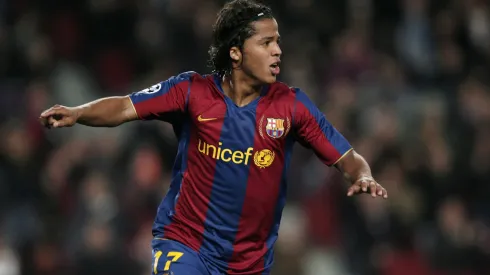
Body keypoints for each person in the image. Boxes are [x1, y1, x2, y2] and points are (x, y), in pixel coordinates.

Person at [39, 0, 388, 274]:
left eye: (277, 42)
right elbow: (126, 107)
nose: (277, 51)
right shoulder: (191, 92)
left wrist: (363, 175)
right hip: (186, 244)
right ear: (235, 52)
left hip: (248, 265)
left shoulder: (292, 106)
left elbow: (346, 156)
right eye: (265, 42)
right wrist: (79, 113)